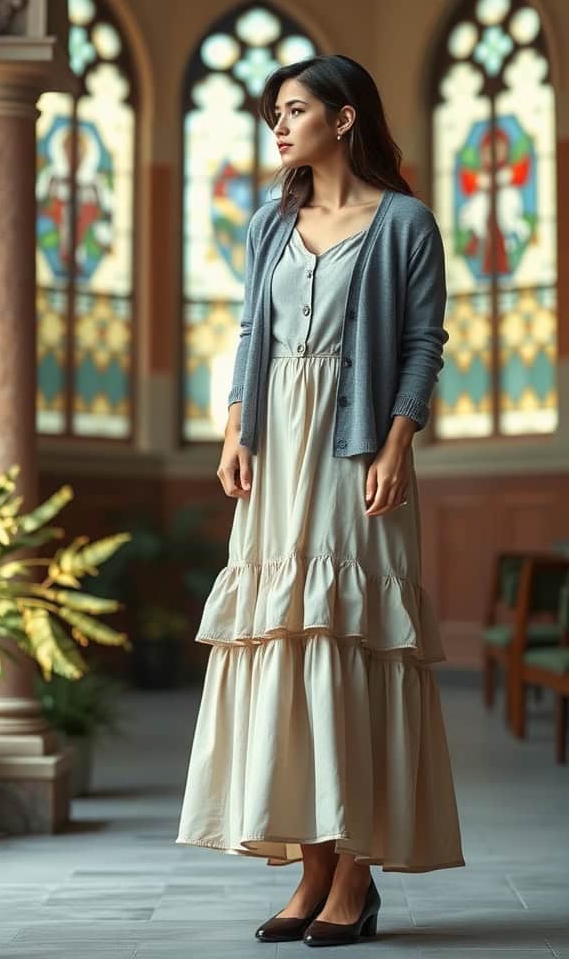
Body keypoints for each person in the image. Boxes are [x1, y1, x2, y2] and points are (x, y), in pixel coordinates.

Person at [175, 54, 465, 948]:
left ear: (344, 119)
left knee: (350, 637)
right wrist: (234, 430)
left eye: (293, 110)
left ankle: (354, 875)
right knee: (285, 636)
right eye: (274, 114)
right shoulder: (271, 224)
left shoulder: (407, 223)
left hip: (353, 452)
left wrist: (397, 443)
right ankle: (309, 868)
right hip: (275, 452)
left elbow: (424, 342)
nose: (279, 126)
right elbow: (252, 331)